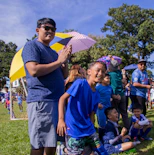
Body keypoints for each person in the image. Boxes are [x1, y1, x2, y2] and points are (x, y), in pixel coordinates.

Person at [22, 18, 72, 155]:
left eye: (53, 29)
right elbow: (33, 70)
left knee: (52, 142)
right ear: (38, 30)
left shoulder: (53, 52)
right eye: (47, 28)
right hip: (42, 101)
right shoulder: (32, 46)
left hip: (57, 101)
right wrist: (59, 61)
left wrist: (64, 60)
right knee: (39, 144)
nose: (50, 31)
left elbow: (64, 75)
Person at [57, 61, 108, 155]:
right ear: (89, 72)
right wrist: (61, 120)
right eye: (98, 70)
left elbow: (92, 114)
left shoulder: (97, 94)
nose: (100, 73)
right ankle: (64, 149)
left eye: (103, 71)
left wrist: (93, 129)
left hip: (88, 129)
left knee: (102, 151)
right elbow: (62, 99)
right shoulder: (80, 84)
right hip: (74, 129)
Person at [96, 73, 119, 141]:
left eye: (109, 78)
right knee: (102, 123)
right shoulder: (98, 87)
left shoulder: (110, 87)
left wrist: (116, 97)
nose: (109, 80)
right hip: (101, 108)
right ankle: (101, 138)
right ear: (102, 79)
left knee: (110, 122)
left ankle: (110, 135)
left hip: (108, 107)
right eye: (107, 78)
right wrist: (98, 104)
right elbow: (93, 97)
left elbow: (111, 95)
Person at [108, 59, 131, 130]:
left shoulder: (110, 74)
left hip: (115, 95)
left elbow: (112, 86)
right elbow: (124, 81)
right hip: (122, 94)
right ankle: (128, 127)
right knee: (124, 112)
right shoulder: (118, 73)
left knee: (115, 112)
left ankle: (115, 127)